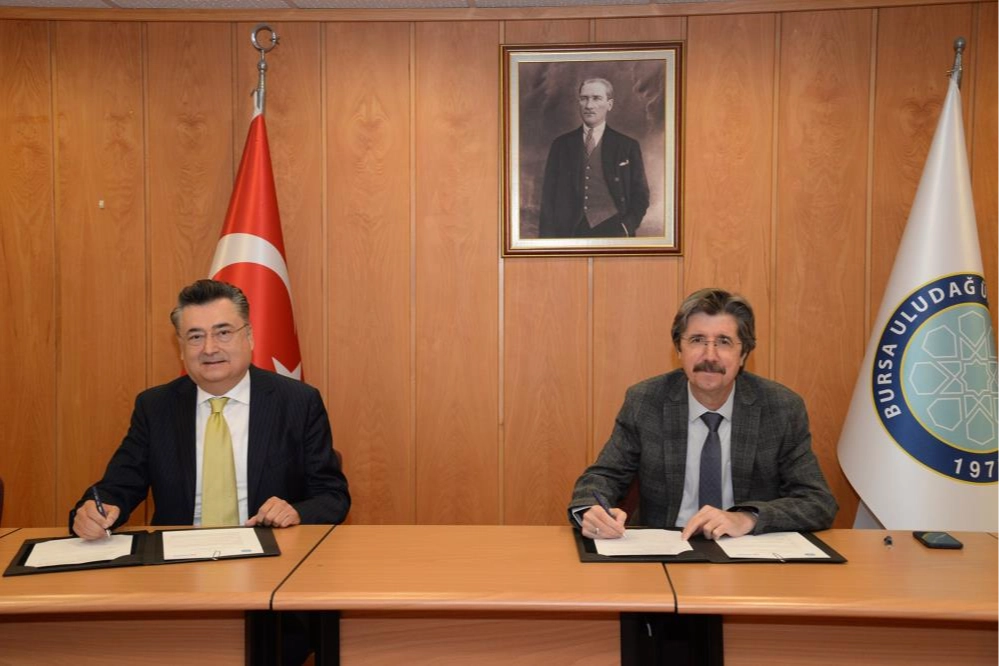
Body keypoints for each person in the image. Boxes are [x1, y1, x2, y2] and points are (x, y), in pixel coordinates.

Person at [70, 279, 350, 538]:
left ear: (249, 337)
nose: (209, 348)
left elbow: (332, 496)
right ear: (181, 347)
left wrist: (296, 512)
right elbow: (117, 487)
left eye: (223, 333)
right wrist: (92, 512)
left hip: (271, 553)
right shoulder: (155, 407)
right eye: (195, 337)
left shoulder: (297, 402)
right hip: (177, 559)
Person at [568, 288, 837, 541]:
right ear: (679, 349)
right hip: (665, 548)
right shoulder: (646, 401)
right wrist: (591, 510)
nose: (710, 356)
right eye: (697, 340)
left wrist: (747, 518)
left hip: (747, 549)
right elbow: (603, 477)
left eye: (724, 342)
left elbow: (817, 501)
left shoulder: (780, 408)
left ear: (744, 354)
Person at [538, 77, 650, 238]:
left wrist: (626, 227)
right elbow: (548, 198)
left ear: (609, 104)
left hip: (614, 230)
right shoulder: (561, 145)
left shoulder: (627, 146)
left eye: (596, 98)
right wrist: (547, 240)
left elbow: (641, 195)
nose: (589, 105)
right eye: (584, 98)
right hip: (569, 232)